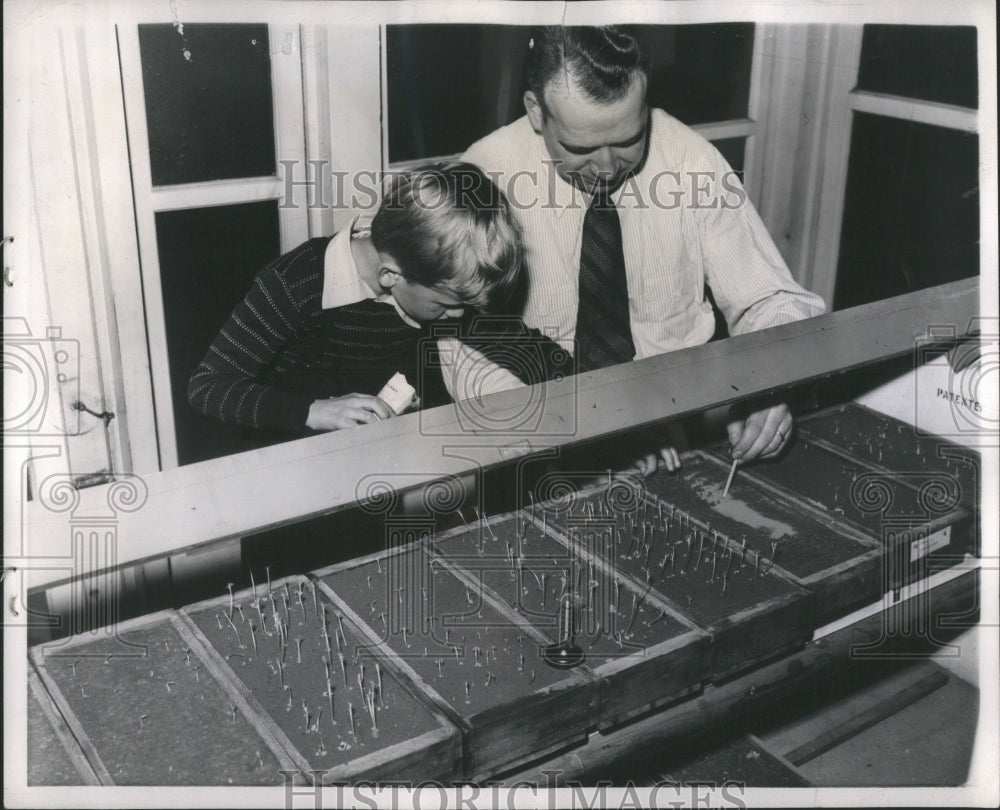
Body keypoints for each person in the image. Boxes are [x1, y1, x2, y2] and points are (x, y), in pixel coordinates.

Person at [462, 26, 826, 472]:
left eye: (629, 140)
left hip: (678, 429)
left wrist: (770, 383)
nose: (607, 167)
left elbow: (774, 301)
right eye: (582, 147)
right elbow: (464, 349)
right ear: (536, 112)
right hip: (531, 440)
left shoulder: (692, 161)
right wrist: (593, 431)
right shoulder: (484, 177)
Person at [188, 162, 571, 438]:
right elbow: (207, 387)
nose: (457, 317)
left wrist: (588, 385)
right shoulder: (295, 284)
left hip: (373, 463)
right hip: (287, 468)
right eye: (447, 306)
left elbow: (513, 340)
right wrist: (313, 411)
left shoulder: (428, 274)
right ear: (390, 276)